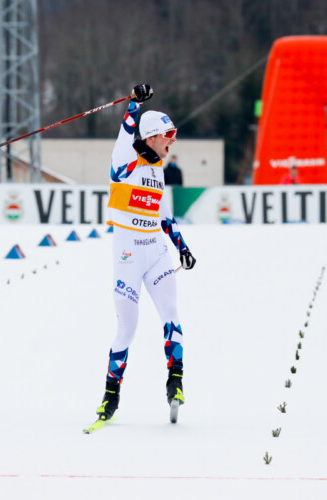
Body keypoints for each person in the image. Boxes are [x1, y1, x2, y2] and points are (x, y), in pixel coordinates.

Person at [93, 84, 196, 427]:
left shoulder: (158, 171)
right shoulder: (125, 163)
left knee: (171, 313)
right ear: (151, 137)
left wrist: (181, 246)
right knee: (128, 329)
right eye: (169, 135)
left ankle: (175, 382)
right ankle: (110, 397)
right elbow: (126, 134)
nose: (173, 140)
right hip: (127, 257)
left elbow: (165, 216)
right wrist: (134, 104)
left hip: (156, 253)